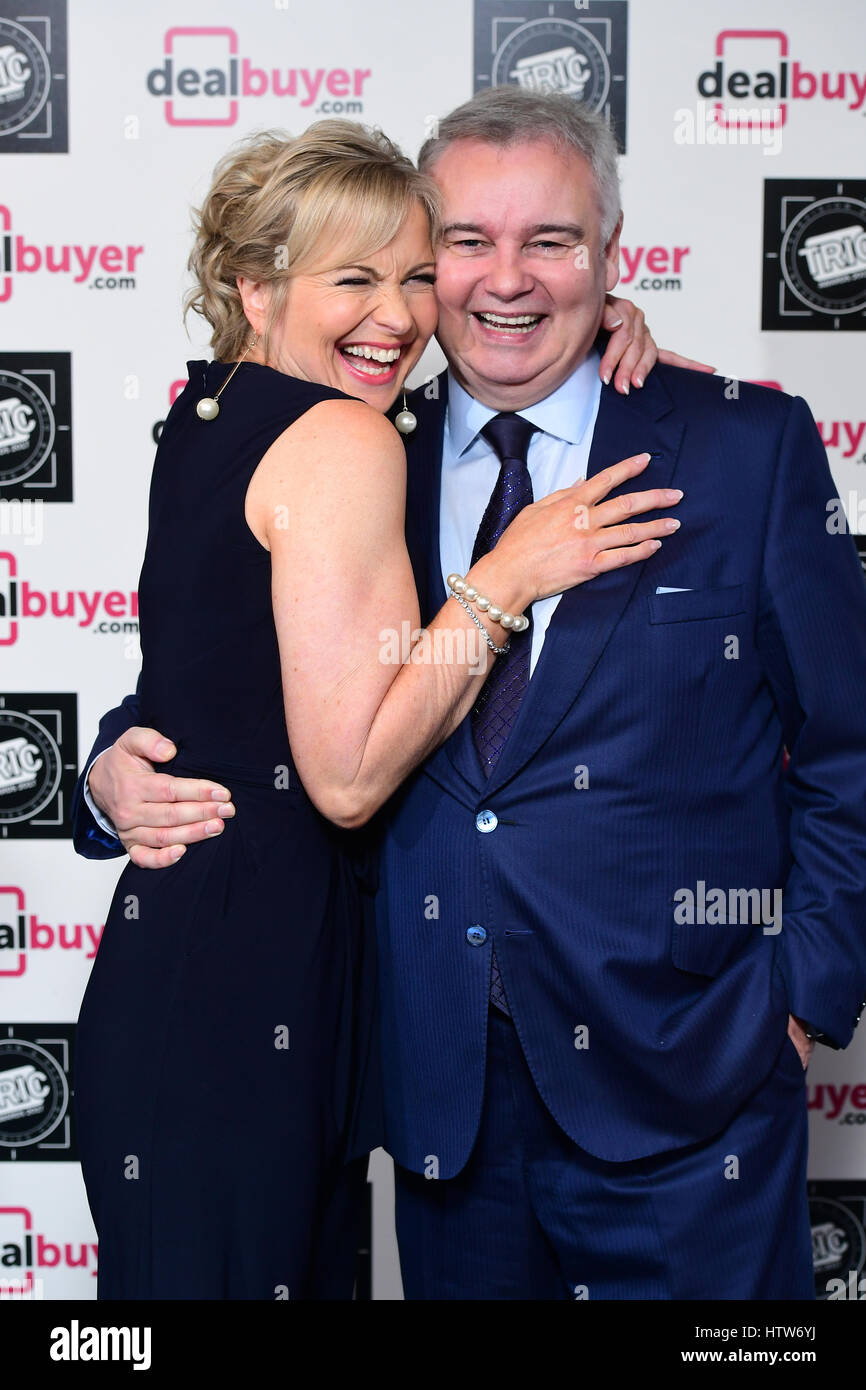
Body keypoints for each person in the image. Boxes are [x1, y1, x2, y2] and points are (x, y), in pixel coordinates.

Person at [72, 115, 680, 1301]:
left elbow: (213, 679)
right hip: (256, 993)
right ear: (255, 287)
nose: (397, 316)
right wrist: (503, 576)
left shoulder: (207, 420)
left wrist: (590, 320)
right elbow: (344, 775)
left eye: (413, 276)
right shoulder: (349, 435)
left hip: (196, 972)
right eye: (352, 277)